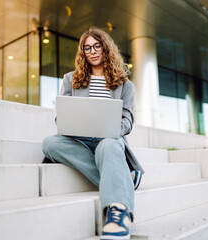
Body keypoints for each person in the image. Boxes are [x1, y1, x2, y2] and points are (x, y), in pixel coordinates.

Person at [42, 26, 144, 240]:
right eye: (87, 48)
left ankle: (118, 212)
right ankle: (123, 177)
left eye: (97, 46)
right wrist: (68, 122)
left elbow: (127, 121)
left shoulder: (125, 85)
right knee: (50, 143)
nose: (93, 51)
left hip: (109, 140)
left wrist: (113, 130)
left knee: (108, 144)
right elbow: (62, 117)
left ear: (106, 48)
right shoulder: (71, 79)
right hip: (79, 140)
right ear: (82, 52)